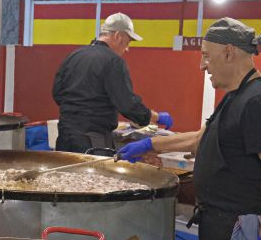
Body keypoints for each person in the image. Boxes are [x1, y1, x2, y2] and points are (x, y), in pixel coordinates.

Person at [117, 18, 261, 240]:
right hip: (217, 221)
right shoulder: (235, 95)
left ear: (228, 52)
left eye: (206, 55)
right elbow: (201, 138)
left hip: (237, 225)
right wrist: (149, 144)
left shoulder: (258, 101)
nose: (202, 65)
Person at [51, 12, 173, 152]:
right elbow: (128, 105)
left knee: (66, 167)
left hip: (65, 137)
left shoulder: (74, 56)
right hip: (92, 141)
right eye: (127, 42)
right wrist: (156, 117)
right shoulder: (113, 62)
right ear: (118, 36)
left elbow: (57, 93)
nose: (127, 49)